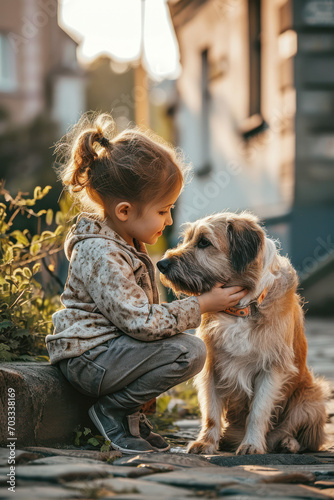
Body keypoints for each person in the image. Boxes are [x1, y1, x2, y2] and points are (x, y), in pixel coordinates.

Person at [45, 112, 248, 454]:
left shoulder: (126, 244)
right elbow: (140, 322)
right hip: (88, 360)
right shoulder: (101, 254)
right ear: (124, 211)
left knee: (176, 346)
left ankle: (131, 418)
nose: (169, 220)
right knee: (188, 350)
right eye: (164, 210)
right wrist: (200, 305)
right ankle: (113, 410)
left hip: (103, 354)